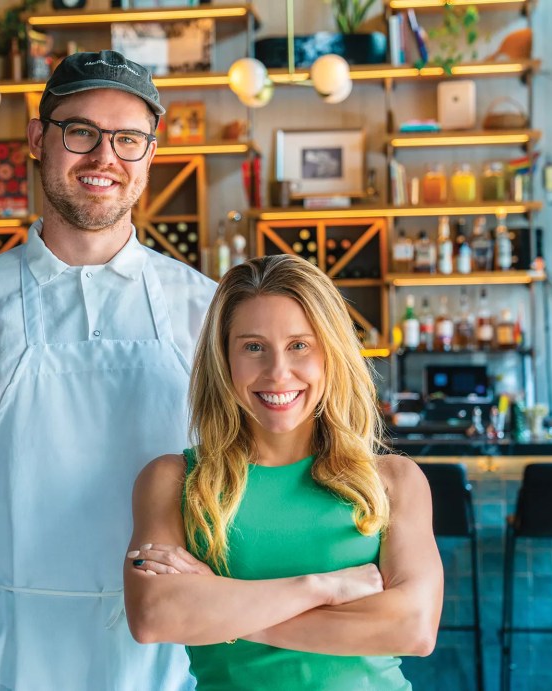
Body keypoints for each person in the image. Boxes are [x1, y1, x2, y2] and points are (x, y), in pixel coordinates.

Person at [0, 50, 215, 690]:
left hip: (164, 656)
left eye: (128, 139)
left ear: (150, 153)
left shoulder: (209, 309)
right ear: (38, 139)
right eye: (81, 131)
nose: (103, 157)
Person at [124, 254, 443, 690]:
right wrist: (324, 587)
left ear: (330, 353)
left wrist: (224, 608)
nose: (277, 373)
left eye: (299, 345)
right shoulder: (174, 480)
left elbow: (414, 628)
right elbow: (154, 616)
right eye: (253, 347)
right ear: (225, 358)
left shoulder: (393, 481)